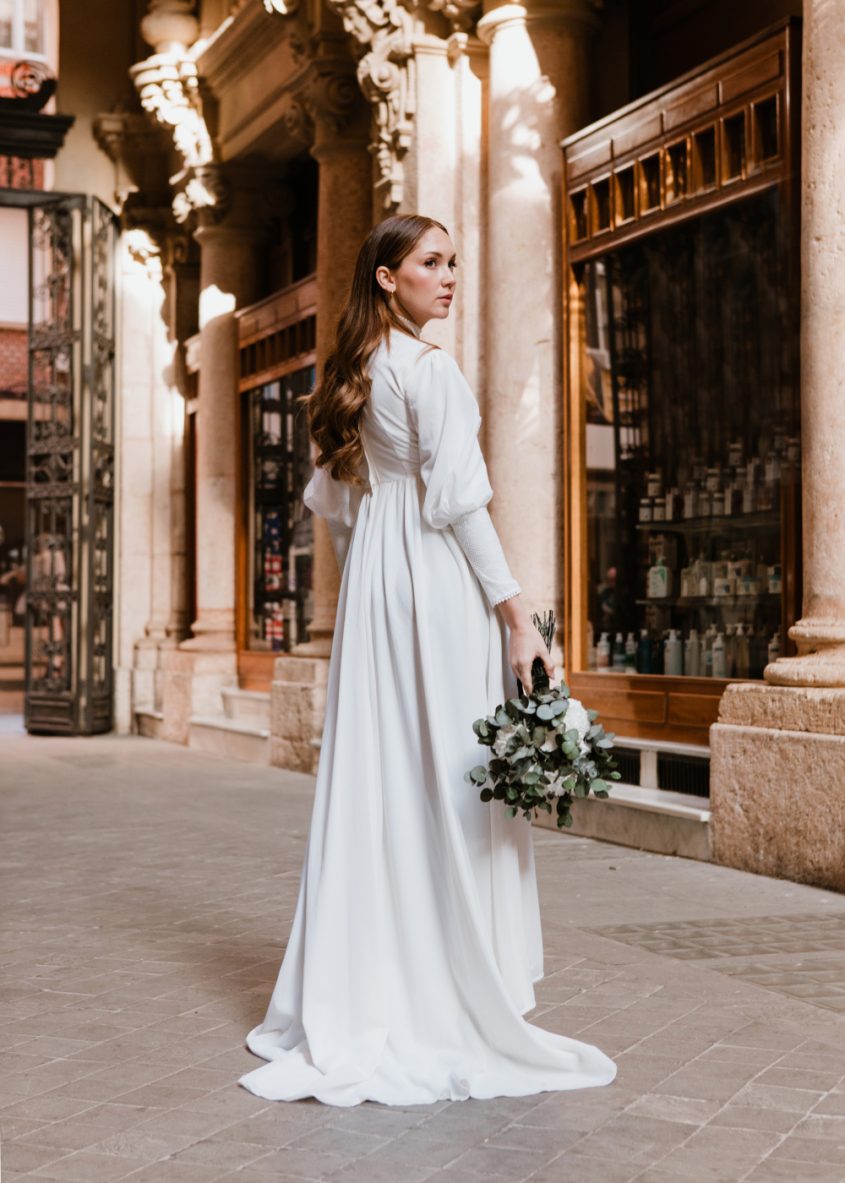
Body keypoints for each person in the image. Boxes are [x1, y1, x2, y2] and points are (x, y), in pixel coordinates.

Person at [238, 214, 617, 1106]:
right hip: (440, 586)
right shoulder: (430, 368)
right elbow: (460, 506)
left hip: (377, 581)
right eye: (431, 264)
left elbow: (330, 502)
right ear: (384, 277)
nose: (448, 278)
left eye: (452, 263)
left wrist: (373, 567)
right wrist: (518, 616)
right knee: (451, 777)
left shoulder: (354, 372)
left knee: (382, 778)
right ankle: (449, 983)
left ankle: (372, 980)